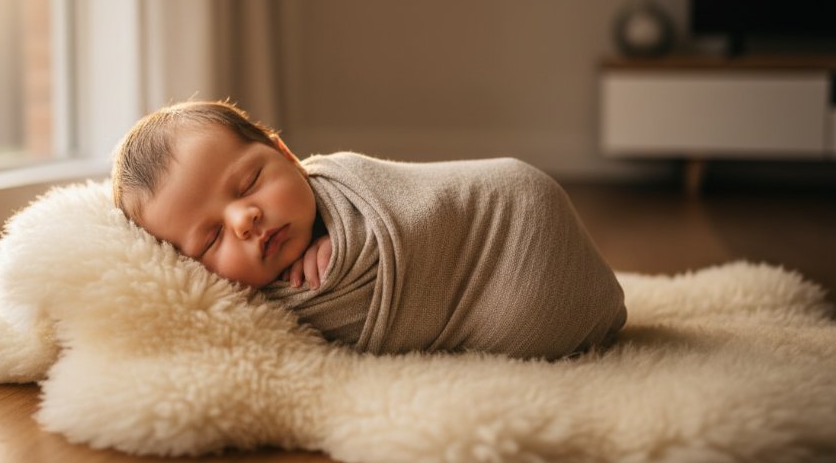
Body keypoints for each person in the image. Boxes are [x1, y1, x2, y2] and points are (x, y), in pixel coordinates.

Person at [113, 100, 627, 359]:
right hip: (518, 278)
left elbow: (417, 210)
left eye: (249, 182)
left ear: (287, 155)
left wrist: (347, 242)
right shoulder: (245, 307)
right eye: (211, 239)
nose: (243, 220)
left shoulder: (346, 187)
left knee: (520, 195)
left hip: (513, 215)